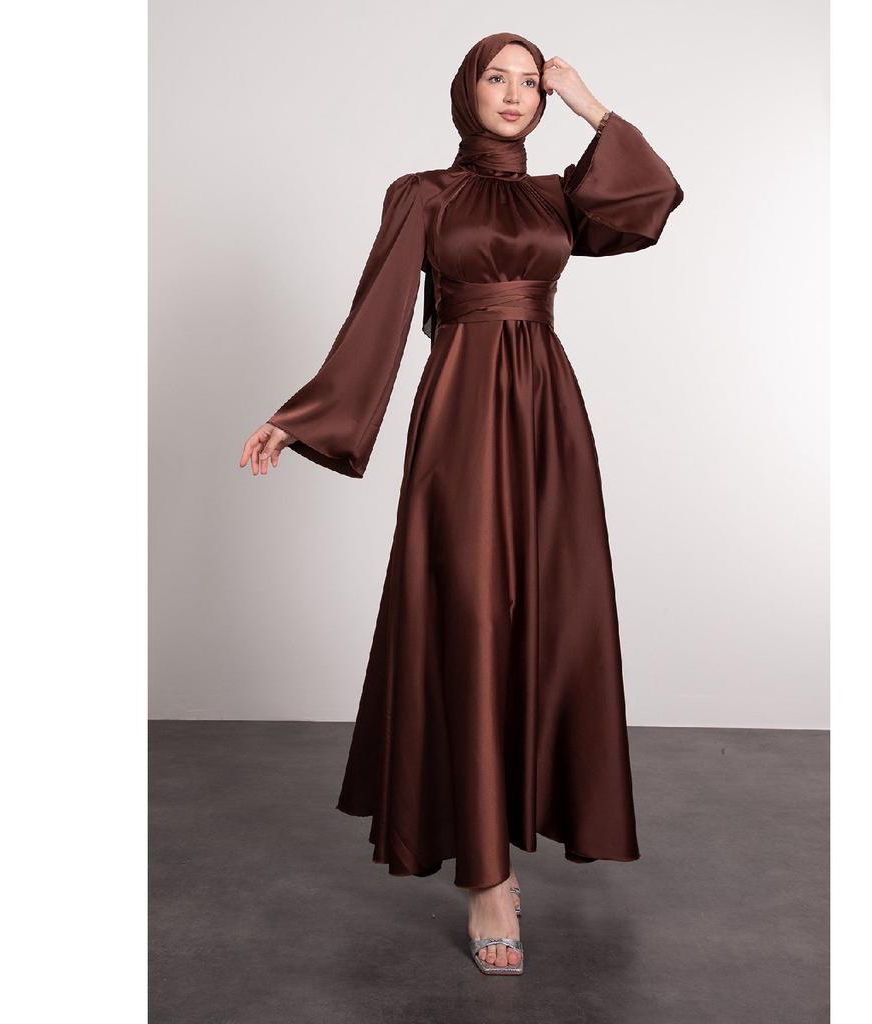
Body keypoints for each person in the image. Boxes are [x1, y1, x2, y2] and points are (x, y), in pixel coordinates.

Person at [239, 32, 684, 976]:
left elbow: (649, 200)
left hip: (549, 413)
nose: (516, 95)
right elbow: (377, 313)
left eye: (531, 83)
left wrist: (590, 104)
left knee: (555, 614)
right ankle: (486, 876)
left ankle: (518, 832)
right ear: (466, 90)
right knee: (470, 611)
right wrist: (300, 416)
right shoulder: (424, 195)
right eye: (497, 77)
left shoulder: (560, 197)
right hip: (461, 412)